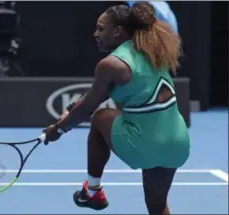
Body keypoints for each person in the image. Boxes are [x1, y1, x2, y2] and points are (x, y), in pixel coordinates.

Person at [43, 2, 190, 214]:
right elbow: (94, 97)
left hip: (146, 145)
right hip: (178, 144)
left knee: (101, 116)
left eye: (101, 28)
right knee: (158, 207)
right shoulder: (154, 51)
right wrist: (75, 108)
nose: (95, 33)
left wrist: (57, 130)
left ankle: (93, 192)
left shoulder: (111, 64)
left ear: (118, 31)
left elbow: (88, 108)